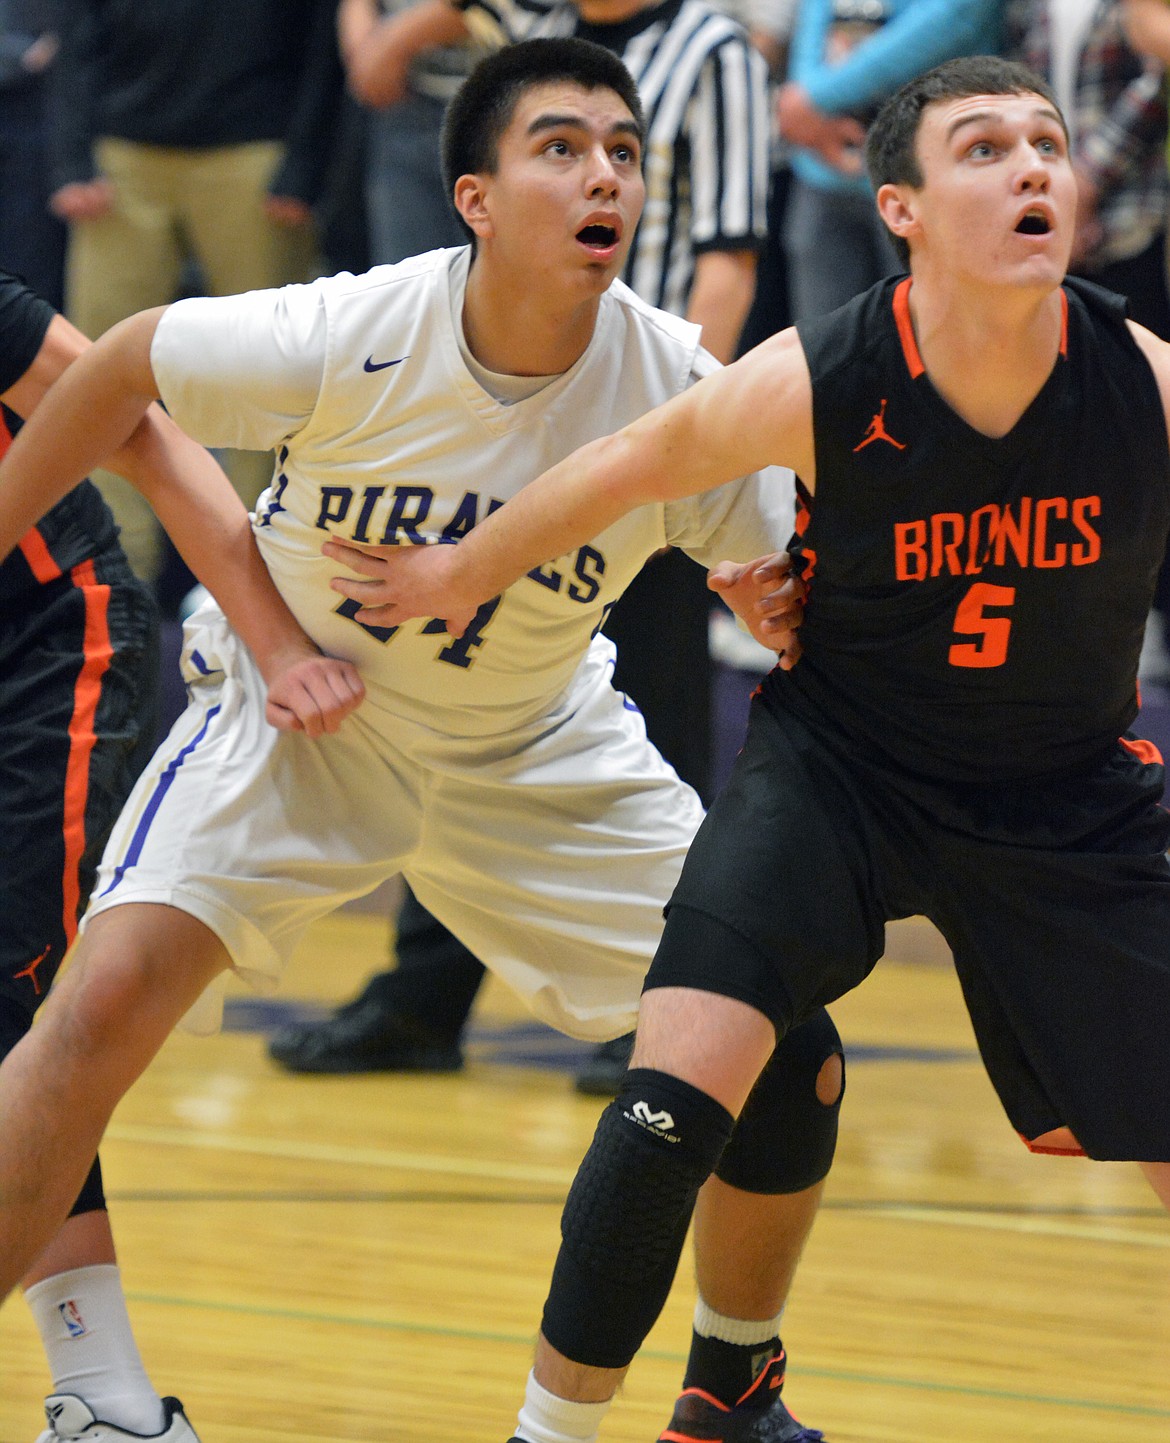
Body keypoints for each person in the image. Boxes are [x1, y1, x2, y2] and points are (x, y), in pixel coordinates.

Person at [0, 40, 839, 1443]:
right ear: (476, 197)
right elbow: (129, 362)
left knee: (784, 1039)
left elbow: (767, 575)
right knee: (91, 1012)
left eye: (624, 152)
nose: (604, 177)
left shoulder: (674, 378)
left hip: (531, 747)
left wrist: (782, 594)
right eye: (561, 147)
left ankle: (734, 1374)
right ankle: (90, 1384)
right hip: (299, 729)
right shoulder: (352, 326)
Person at [328, 53, 1170, 1442]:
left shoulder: (1135, 382)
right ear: (895, 207)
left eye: (1045, 144)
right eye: (982, 149)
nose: (1031, 167)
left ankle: (726, 1389)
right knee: (669, 1097)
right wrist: (454, 571)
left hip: (1062, 796)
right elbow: (623, 468)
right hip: (841, 769)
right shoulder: (823, 372)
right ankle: (572, 1426)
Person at [268, 0, 773, 1094]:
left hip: (653, 443)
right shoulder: (525, 31)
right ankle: (423, 998)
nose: (599, 169)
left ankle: (645, 1004)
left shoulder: (714, 51)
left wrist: (686, 446)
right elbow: (386, 78)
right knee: (470, 702)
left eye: (614, 153)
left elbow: (728, 257)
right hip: (507, 433)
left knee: (645, 718)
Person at [0, 269, 206, 1441]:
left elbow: (137, 422)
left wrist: (270, 631)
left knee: (18, 1010)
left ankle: (110, 1404)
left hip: (45, 637)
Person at [45, 0, 344, 585]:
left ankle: (258, 575)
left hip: (255, 152)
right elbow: (76, 27)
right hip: (123, 153)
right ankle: (113, 574)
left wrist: (305, 164)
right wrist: (71, 157)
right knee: (94, 373)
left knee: (273, 377)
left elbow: (322, 44)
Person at [777, 0, 1001, 320]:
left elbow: (950, 21)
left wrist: (813, 99)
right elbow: (814, 16)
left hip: (927, 178)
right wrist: (805, 98)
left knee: (929, 346)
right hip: (822, 170)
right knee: (823, 352)